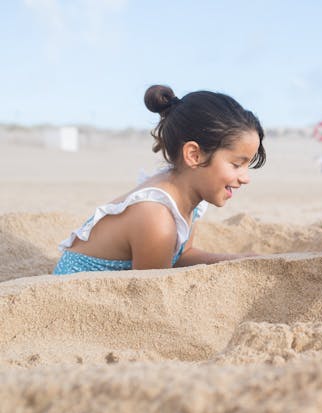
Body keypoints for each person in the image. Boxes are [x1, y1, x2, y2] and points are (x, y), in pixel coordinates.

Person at [53, 84, 267, 275]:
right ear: (194, 155)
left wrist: (236, 260)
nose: (245, 178)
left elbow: (182, 255)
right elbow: (152, 295)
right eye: (237, 164)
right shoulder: (157, 216)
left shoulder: (185, 193)